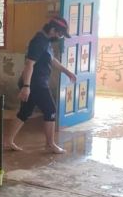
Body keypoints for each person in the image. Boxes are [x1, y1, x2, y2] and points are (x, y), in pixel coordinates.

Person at [6, 16, 77, 154]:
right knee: (50, 110)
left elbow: (52, 59)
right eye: (60, 33)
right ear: (52, 30)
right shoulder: (39, 41)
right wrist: (26, 87)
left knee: (24, 112)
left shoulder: (46, 41)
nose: (60, 37)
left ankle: (8, 141)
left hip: (36, 82)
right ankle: (50, 144)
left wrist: (67, 72)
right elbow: (29, 64)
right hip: (35, 83)